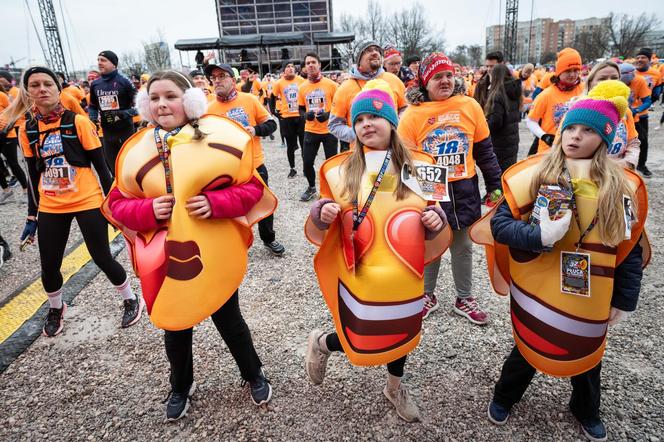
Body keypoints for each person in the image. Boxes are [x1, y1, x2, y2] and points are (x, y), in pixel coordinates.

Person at [476, 80, 648, 442]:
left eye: (587, 130)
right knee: (528, 343)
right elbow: (500, 226)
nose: (574, 136)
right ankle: (505, 396)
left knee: (586, 352)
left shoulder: (622, 186)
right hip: (538, 283)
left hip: (592, 291)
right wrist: (537, 236)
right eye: (570, 127)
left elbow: (628, 248)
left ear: (604, 137)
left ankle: (586, 409)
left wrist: (624, 299)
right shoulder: (535, 175)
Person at [104, 70, 275, 420]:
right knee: (175, 323)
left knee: (230, 320)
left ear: (190, 101)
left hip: (214, 250)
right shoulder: (135, 150)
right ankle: (181, 384)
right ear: (145, 105)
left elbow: (252, 189)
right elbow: (118, 203)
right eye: (154, 98)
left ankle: (252, 372)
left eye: (170, 95)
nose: (162, 103)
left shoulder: (219, 135)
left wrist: (217, 203)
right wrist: (147, 209)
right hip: (166, 256)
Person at [304, 80, 449, 422]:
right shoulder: (340, 170)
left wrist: (436, 219)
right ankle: (323, 343)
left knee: (402, 330)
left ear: (392, 122)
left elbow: (436, 213)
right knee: (364, 330)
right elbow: (323, 218)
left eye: (374, 116)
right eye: (359, 120)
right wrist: (320, 214)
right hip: (362, 268)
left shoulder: (420, 167)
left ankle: (394, 388)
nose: (366, 124)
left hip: (406, 270)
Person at [0, 66, 141, 337]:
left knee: (101, 256)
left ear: (58, 89)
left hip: (87, 200)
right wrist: (32, 216)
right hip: (51, 206)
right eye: (35, 85)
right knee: (49, 264)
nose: (42, 89)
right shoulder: (27, 130)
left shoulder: (78, 122)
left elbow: (103, 169)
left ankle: (130, 297)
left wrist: (115, 205)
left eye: (47, 84)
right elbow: (31, 176)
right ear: (28, 92)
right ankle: (56, 307)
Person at [398, 52, 502, 322]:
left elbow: (485, 151)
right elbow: (405, 163)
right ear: (425, 81)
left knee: (463, 245)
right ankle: (426, 294)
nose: (444, 81)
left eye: (448, 75)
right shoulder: (412, 115)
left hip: (464, 187)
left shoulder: (469, 106)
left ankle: (464, 297)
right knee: (430, 245)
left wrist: (495, 185)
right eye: (437, 77)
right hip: (430, 190)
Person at [205, 63, 285, 256]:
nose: (217, 80)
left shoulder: (249, 99)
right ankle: (236, 239)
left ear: (233, 80)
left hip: (254, 165)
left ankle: (269, 239)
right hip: (226, 170)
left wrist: (255, 130)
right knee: (231, 206)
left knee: (263, 203)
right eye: (214, 77)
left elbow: (271, 125)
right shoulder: (207, 109)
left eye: (222, 76)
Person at [328, 41, 407, 146]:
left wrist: (396, 124)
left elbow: (404, 108)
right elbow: (334, 125)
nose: (375, 53)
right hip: (362, 154)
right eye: (369, 50)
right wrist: (358, 133)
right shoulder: (345, 88)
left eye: (377, 50)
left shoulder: (394, 80)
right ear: (359, 59)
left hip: (394, 148)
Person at [297, 52, 338, 201]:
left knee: (331, 163)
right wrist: (304, 115)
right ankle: (312, 187)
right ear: (305, 67)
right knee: (307, 162)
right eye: (308, 63)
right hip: (311, 130)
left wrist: (328, 115)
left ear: (319, 64)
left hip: (329, 131)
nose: (311, 65)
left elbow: (339, 107)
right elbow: (300, 109)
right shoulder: (302, 88)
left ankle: (333, 190)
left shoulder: (331, 85)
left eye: (313, 62)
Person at [88, 50, 138, 173]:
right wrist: (93, 119)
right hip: (107, 131)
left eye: (103, 60)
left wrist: (123, 114)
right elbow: (93, 106)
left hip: (125, 129)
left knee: (129, 165)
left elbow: (140, 106)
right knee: (113, 168)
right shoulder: (95, 84)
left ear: (114, 64)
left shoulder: (124, 81)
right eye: (98, 60)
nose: (99, 63)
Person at [526, 48, 584, 154]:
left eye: (576, 70)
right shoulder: (546, 94)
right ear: (559, 72)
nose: (572, 75)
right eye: (568, 71)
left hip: (577, 150)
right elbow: (530, 121)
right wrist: (544, 136)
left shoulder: (585, 90)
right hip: (549, 151)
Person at [484, 63, 522, 173]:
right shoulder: (514, 91)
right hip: (512, 140)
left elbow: (496, 121)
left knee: (497, 174)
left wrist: (485, 123)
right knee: (508, 172)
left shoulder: (498, 94)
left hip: (500, 143)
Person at [0, 73, 29, 204]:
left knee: (13, 163)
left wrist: (5, 130)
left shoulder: (2, 96)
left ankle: (26, 190)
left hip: (7, 134)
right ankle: (7, 191)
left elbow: (13, 112)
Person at [632, 48, 661, 177]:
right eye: (637, 57)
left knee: (643, 141)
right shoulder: (629, 72)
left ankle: (641, 165)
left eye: (643, 57)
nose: (639, 59)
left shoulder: (656, 73)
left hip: (642, 113)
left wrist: (647, 103)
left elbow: (657, 91)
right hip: (627, 114)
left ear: (649, 60)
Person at [272, 63, 305, 172]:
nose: (290, 68)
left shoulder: (301, 80)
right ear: (284, 70)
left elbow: (307, 94)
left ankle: (307, 167)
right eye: (287, 67)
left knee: (304, 144)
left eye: (292, 66)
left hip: (300, 117)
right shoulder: (279, 83)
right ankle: (292, 168)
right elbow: (272, 97)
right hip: (287, 117)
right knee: (290, 145)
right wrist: (274, 112)